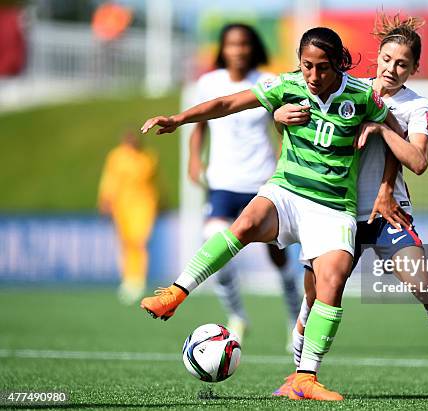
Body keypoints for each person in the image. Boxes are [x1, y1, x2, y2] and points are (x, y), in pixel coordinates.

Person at [139, 26, 406, 401]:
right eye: (307, 66)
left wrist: (385, 188)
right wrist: (179, 119)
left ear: (339, 64)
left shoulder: (363, 96)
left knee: (332, 281)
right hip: (288, 193)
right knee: (245, 223)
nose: (313, 76)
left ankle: (305, 378)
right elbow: (229, 103)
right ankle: (175, 293)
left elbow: (396, 138)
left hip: (333, 208)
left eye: (323, 68)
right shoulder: (286, 85)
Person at [272, 14, 428, 396]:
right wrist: (278, 118)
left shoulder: (417, 105)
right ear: (376, 57)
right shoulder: (352, 89)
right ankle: (298, 376)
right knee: (314, 297)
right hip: (335, 212)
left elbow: (418, 160)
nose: (392, 68)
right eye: (386, 59)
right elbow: (300, 123)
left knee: (421, 280)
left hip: (387, 213)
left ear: (414, 68)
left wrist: (381, 128)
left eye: (402, 63)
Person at [187, 23, 301, 344]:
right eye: (231, 44)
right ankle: (237, 316)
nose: (238, 50)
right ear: (222, 49)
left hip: (262, 182)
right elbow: (201, 124)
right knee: (213, 244)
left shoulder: (266, 83)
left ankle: (295, 320)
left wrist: (285, 165)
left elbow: (282, 127)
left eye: (244, 44)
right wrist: (194, 158)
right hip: (222, 182)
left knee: (277, 255)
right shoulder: (208, 83)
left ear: (253, 48)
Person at [98, 131, 159, 304]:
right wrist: (105, 200)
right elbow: (109, 180)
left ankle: (138, 280)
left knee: (139, 241)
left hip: (144, 205)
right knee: (126, 242)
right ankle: (127, 278)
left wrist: (162, 200)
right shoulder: (116, 156)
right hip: (122, 205)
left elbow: (156, 182)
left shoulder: (148, 157)